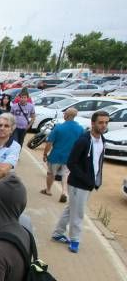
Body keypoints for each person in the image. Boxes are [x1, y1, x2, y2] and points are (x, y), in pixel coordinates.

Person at [51, 110, 110, 253]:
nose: (103, 125)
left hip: (89, 184)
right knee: (78, 213)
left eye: (106, 123)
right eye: (100, 122)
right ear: (93, 123)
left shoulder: (102, 140)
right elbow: (71, 163)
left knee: (72, 208)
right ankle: (75, 240)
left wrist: (95, 180)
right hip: (79, 184)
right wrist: (86, 179)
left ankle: (58, 233)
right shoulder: (83, 140)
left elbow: (97, 162)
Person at [42, 107, 84, 203]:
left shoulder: (59, 127)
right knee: (65, 175)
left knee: (51, 173)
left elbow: (49, 143)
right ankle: (64, 192)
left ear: (67, 115)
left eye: (65, 114)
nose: (64, 115)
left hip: (55, 156)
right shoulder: (80, 129)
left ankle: (48, 190)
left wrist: (45, 154)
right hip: (70, 157)